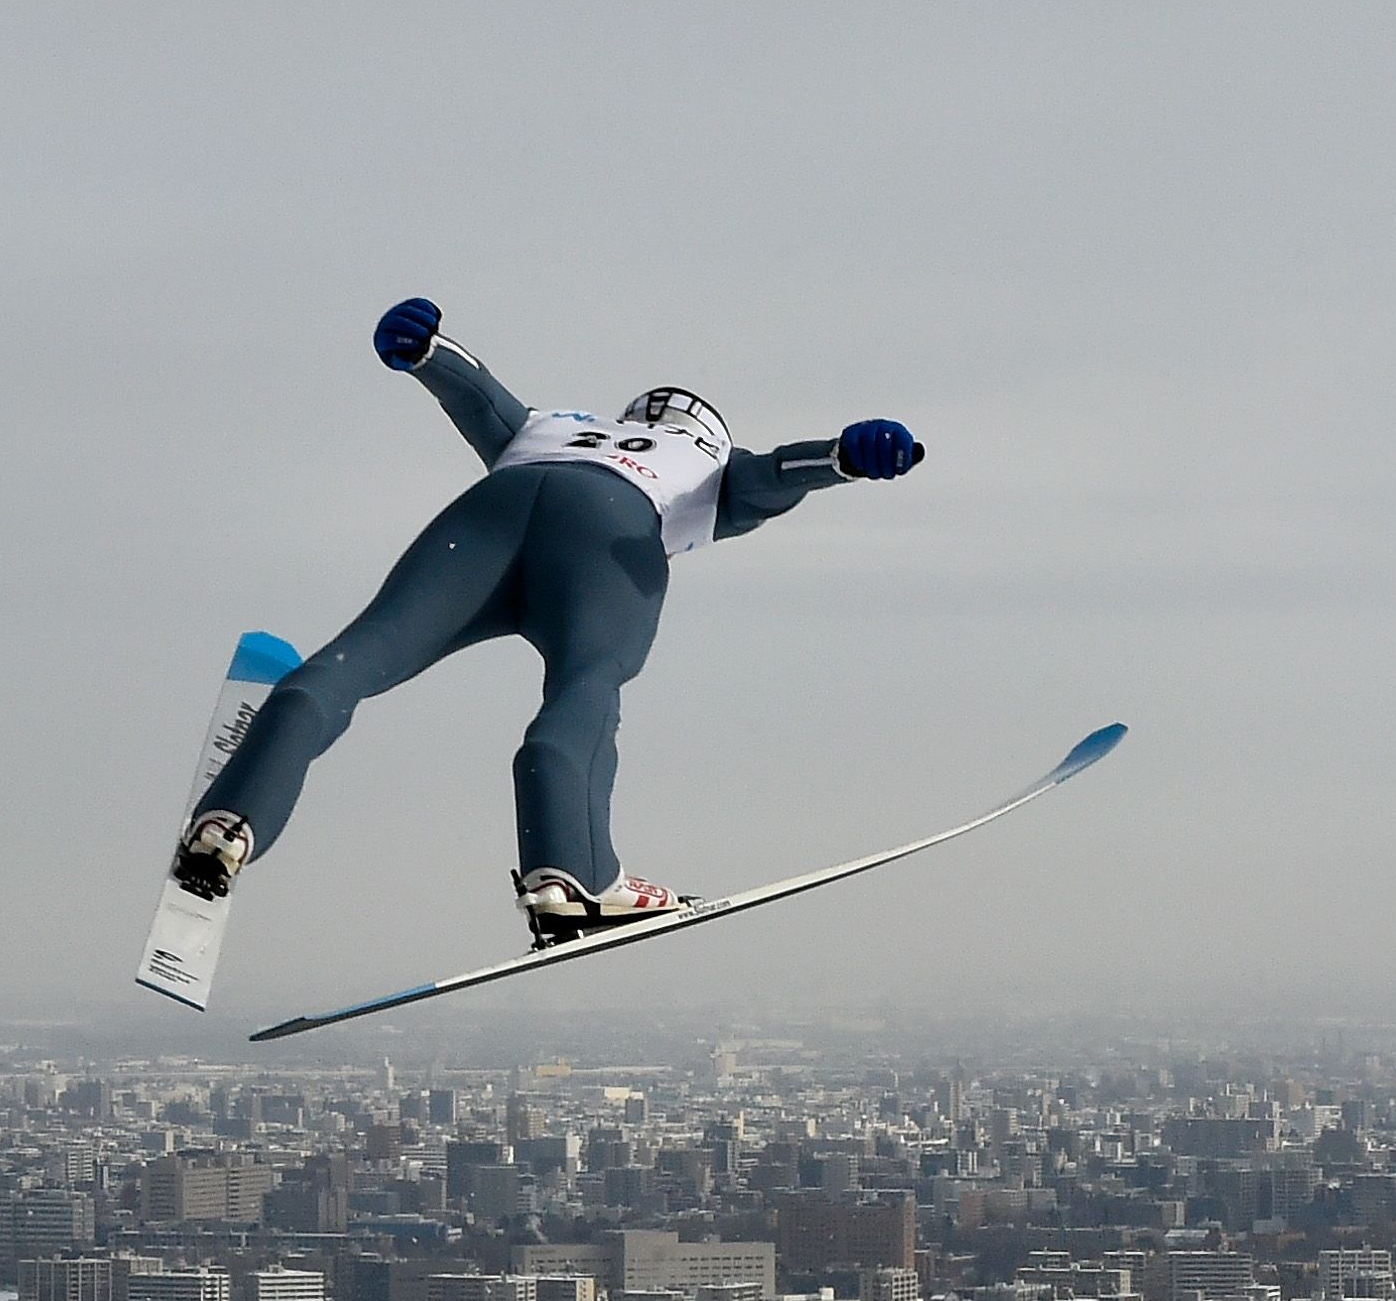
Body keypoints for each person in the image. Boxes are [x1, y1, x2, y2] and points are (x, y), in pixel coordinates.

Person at [173, 296, 926, 946]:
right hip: (608, 534)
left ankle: (227, 825)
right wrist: (845, 457)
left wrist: (424, 348)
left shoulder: (557, 423)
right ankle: (571, 872)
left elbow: (478, 396)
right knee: (585, 686)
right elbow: (772, 477)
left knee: (357, 658)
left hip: (492, 514)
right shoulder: (705, 458)